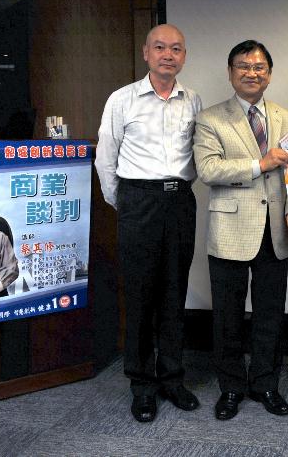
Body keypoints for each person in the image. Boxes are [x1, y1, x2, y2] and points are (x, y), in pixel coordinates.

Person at [95, 23, 202, 423]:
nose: (168, 55)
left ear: (184, 56)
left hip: (180, 202)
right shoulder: (122, 99)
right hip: (138, 201)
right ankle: (141, 385)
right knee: (140, 295)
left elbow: (198, 154)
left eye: (176, 48)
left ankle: (172, 378)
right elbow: (106, 158)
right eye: (160, 47)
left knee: (174, 293)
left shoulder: (193, 100)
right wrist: (125, 203)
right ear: (146, 53)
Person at [194, 40, 288, 421]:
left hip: (276, 231)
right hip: (230, 230)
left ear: (269, 74)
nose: (251, 73)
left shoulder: (287, 118)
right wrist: (260, 164)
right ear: (230, 73)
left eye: (259, 67)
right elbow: (208, 170)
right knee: (227, 316)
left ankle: (266, 384)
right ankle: (231, 388)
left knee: (271, 314)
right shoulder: (210, 118)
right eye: (243, 66)